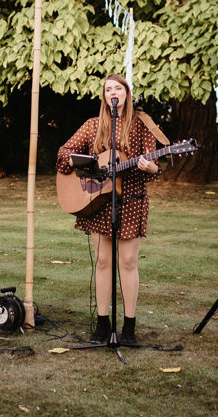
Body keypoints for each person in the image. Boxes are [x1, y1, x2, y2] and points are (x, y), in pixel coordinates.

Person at [56, 73, 160, 345]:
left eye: (118, 88)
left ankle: (129, 328)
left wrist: (151, 168)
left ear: (127, 93)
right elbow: (64, 153)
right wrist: (91, 165)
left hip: (132, 201)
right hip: (101, 203)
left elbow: (153, 169)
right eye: (108, 89)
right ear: (104, 96)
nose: (113, 92)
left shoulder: (142, 126)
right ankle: (102, 324)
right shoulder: (93, 126)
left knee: (127, 263)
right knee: (103, 262)